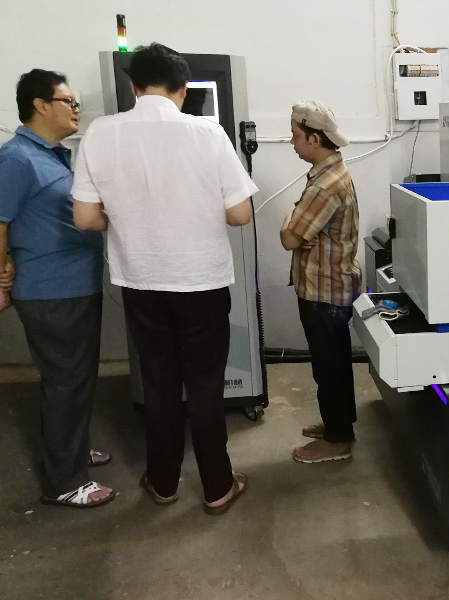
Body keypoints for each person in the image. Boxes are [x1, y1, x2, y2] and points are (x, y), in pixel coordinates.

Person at [72, 43, 257, 515]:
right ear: (183, 89)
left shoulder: (99, 133)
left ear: (134, 86)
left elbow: (86, 219)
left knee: (158, 384)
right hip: (202, 282)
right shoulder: (208, 133)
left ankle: (163, 482)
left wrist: (129, 219)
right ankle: (217, 487)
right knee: (205, 385)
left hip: (141, 282)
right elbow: (240, 214)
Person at [0, 69, 114, 507]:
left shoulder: (53, 156)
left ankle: (74, 451)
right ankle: (65, 482)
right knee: (65, 382)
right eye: (68, 101)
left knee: (77, 379)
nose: (76, 109)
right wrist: (1, 275)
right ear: (40, 105)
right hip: (50, 290)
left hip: (74, 287)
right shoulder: (17, 159)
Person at [280, 100, 361, 464]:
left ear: (314, 139)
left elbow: (290, 238)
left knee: (329, 368)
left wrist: (289, 223)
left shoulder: (324, 185)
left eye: (295, 136)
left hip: (323, 291)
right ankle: (338, 425)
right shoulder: (332, 172)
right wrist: (299, 228)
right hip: (331, 286)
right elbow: (301, 233)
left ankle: (338, 440)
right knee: (334, 363)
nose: (292, 142)